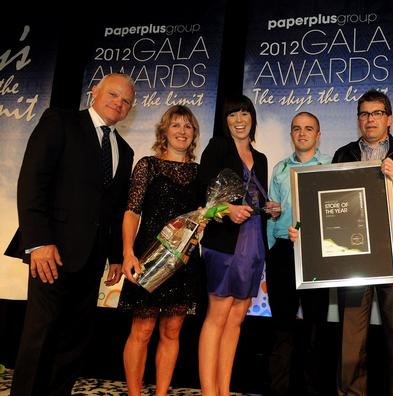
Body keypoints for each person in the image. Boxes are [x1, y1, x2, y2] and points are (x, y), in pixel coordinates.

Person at [4, 73, 135, 395]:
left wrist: (116, 257)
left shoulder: (125, 150)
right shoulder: (59, 122)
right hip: (52, 252)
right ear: (94, 92)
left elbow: (115, 208)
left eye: (126, 101)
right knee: (42, 333)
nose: (119, 103)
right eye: (113, 94)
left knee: (74, 338)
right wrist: (38, 243)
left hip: (92, 259)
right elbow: (32, 183)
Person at [333, 89, 393, 396]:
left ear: (389, 119)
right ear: (358, 119)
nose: (370, 120)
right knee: (350, 342)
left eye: (376, 113)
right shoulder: (344, 155)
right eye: (364, 114)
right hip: (354, 258)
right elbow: (330, 207)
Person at [116, 105, 204, 396]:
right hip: (149, 259)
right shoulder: (147, 165)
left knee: (172, 332)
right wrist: (128, 253)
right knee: (141, 331)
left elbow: (202, 217)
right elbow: (131, 212)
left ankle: (162, 393)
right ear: (164, 131)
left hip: (182, 261)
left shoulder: (199, 173)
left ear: (194, 135)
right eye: (176, 125)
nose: (182, 131)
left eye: (188, 126)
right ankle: (134, 394)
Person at [197, 94, 280, 396]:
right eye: (232, 114)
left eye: (244, 113)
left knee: (237, 318)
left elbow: (255, 199)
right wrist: (226, 210)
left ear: (252, 118)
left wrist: (270, 207)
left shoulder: (262, 159)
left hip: (254, 245)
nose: (239, 120)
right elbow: (203, 195)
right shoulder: (217, 148)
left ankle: (223, 389)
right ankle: (208, 392)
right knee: (217, 315)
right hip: (224, 244)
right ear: (226, 120)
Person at [265, 112, 332, 396]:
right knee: (282, 327)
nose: (302, 133)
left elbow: (336, 211)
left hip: (317, 252)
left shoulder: (330, 166)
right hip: (282, 253)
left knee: (315, 328)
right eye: (296, 129)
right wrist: (273, 212)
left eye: (309, 129)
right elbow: (271, 215)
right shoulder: (279, 169)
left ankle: (312, 390)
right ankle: (279, 390)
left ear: (318, 135)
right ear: (291, 134)